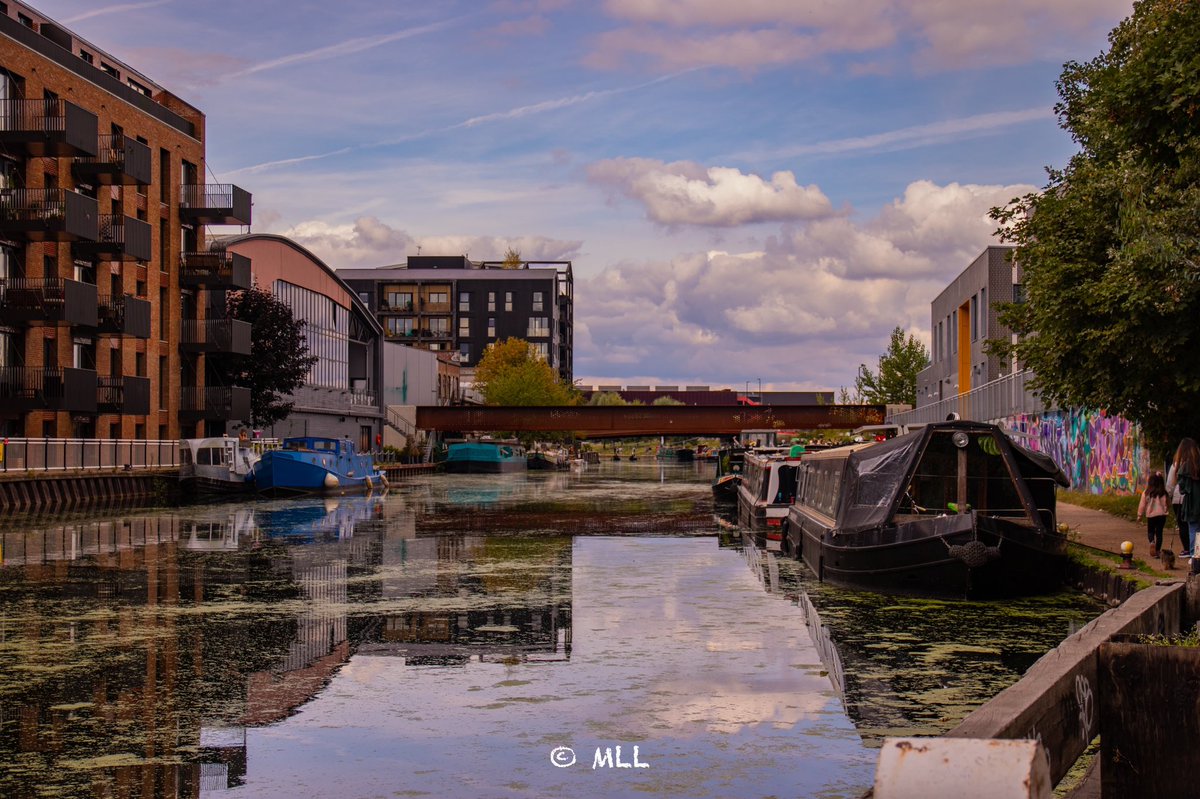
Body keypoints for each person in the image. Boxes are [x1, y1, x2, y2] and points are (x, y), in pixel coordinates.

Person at [1166, 439, 1197, 558]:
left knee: (1183, 525)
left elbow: (1170, 484)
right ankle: (1196, 553)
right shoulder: (1196, 465)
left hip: (1179, 499)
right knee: (1195, 526)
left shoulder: (1176, 464)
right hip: (1194, 499)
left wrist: (1170, 495)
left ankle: (1188, 550)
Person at [1137, 471, 1170, 557]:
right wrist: (1166, 509)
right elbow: (1168, 503)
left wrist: (1139, 515)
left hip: (1151, 516)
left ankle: (1152, 542)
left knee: (1150, 531)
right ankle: (1158, 551)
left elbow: (1142, 504)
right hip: (1162, 516)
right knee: (1159, 533)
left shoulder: (1147, 492)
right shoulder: (1164, 493)